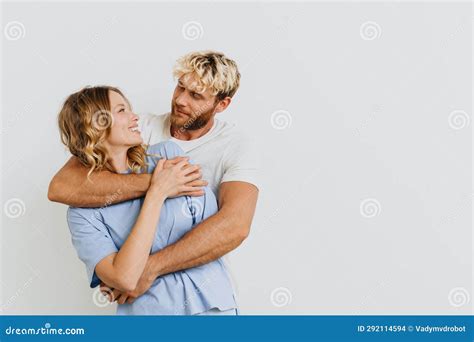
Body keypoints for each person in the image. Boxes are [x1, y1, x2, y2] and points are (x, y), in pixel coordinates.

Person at [48, 50, 259, 309]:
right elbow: (61, 187)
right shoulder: (143, 132)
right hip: (145, 309)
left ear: (221, 105)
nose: (180, 100)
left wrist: (148, 268)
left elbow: (234, 226)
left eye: (195, 95)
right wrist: (159, 185)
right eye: (180, 87)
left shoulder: (230, 147)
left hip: (205, 300)